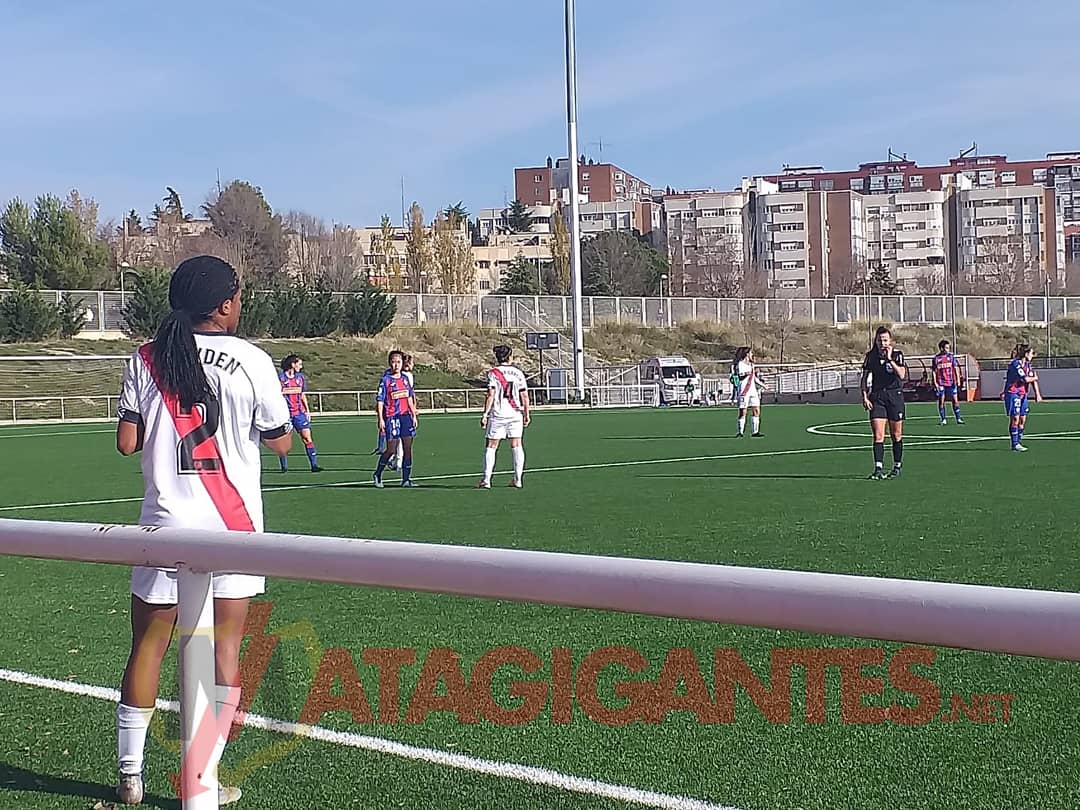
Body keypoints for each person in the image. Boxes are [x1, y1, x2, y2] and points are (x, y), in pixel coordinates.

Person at [113, 256, 293, 806]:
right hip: (232, 529)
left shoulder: (147, 357)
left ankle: (131, 775)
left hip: (165, 527)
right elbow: (281, 442)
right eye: (238, 296)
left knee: (148, 646)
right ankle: (203, 780)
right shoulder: (255, 360)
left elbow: (126, 442)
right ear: (223, 304)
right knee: (225, 653)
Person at [477, 345, 531, 489]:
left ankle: (486, 480)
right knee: (517, 444)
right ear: (509, 357)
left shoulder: (493, 373)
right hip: (515, 413)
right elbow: (524, 395)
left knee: (491, 445)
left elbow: (491, 394)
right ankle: (518, 479)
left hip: (498, 414)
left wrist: (485, 414)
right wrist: (526, 413)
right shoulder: (518, 373)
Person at [861, 326, 908, 479]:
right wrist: (865, 396)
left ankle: (897, 466)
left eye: (885, 340)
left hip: (895, 396)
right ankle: (878, 468)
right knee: (878, 434)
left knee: (896, 434)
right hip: (878, 397)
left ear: (890, 341)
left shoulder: (897, 355)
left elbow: (901, 374)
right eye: (880, 340)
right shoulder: (871, 356)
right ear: (876, 341)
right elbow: (864, 377)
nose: (883, 343)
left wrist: (890, 359)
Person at [373, 350, 419, 487]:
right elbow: (380, 401)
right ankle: (378, 474)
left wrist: (413, 414)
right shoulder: (386, 380)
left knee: (407, 448)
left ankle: (406, 480)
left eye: (398, 362)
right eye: (393, 362)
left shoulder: (405, 379)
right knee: (391, 449)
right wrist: (380, 418)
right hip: (392, 417)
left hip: (405, 417)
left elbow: (409, 398)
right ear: (389, 363)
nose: (396, 365)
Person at [278, 354, 322, 472]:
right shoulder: (280, 379)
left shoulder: (300, 378)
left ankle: (314, 465)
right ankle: (284, 466)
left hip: (299, 414)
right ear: (293, 364)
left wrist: (307, 410)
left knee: (307, 438)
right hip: (285, 415)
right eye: (299, 364)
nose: (301, 367)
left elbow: (302, 395)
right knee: (283, 441)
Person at [1004, 343, 1043, 452]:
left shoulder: (1028, 366)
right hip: (1013, 393)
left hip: (1023, 395)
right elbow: (1025, 379)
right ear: (1026, 354)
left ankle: (1019, 441)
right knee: (1015, 418)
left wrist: (1037, 394)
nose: (1032, 355)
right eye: (1031, 353)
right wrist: (1034, 377)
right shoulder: (1015, 364)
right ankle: (1015, 444)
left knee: (1022, 419)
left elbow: (1033, 380)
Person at [732, 347, 766, 437]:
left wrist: (763, 385)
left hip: (753, 391)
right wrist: (747, 373)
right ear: (746, 354)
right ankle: (740, 432)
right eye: (750, 353)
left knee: (756, 410)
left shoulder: (751, 364)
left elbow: (754, 377)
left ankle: (755, 432)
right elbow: (740, 377)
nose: (752, 355)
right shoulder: (740, 364)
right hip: (744, 390)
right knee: (743, 411)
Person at [931, 340, 964, 426]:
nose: (948, 349)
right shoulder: (936, 359)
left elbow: (956, 367)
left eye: (948, 348)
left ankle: (958, 418)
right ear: (941, 348)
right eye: (946, 348)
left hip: (951, 382)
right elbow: (934, 371)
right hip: (941, 382)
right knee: (941, 401)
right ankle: (943, 419)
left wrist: (958, 379)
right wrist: (935, 382)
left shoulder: (951, 357)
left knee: (955, 401)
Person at [393, 354, 416, 471]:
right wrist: (414, 410)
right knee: (403, 440)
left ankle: (396, 460)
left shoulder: (395, 375)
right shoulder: (407, 377)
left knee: (396, 439)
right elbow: (410, 395)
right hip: (402, 411)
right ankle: (398, 461)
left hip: (397, 411)